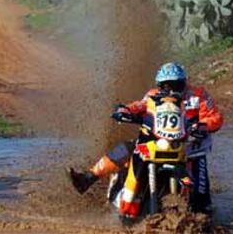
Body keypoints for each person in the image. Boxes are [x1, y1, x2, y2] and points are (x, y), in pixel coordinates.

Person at [66, 62, 223, 217]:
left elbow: (214, 116)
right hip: (157, 143)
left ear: (184, 83)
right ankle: (88, 178)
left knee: (203, 203)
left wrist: (203, 126)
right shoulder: (153, 95)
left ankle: (202, 216)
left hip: (191, 148)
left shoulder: (198, 95)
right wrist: (125, 110)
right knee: (127, 148)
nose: (170, 89)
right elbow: (139, 106)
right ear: (159, 85)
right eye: (165, 85)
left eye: (176, 85)